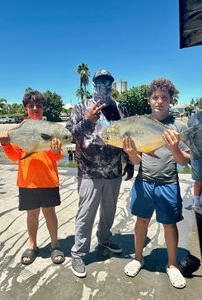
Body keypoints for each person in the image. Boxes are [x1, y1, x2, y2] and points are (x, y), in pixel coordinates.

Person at [122, 78, 190, 289]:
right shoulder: (140, 125)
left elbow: (184, 160)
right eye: (155, 97)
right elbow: (136, 161)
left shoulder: (178, 126)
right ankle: (138, 258)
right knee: (141, 221)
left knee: (169, 224)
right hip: (144, 181)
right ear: (149, 100)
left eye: (164, 98)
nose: (159, 101)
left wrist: (175, 149)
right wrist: (131, 153)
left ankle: (172, 265)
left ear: (171, 100)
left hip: (168, 182)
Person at [66, 69, 133, 277]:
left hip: (113, 171)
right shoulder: (81, 107)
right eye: (100, 81)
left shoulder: (119, 108)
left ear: (112, 84)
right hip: (88, 171)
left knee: (109, 212)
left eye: (107, 81)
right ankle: (78, 252)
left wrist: (129, 162)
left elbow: (127, 137)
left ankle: (104, 239)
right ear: (94, 84)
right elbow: (69, 135)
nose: (104, 84)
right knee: (85, 214)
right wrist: (88, 120)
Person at [0, 90, 65, 265]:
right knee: (32, 214)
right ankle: (32, 245)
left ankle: (55, 245)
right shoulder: (19, 130)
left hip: (48, 179)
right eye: (32, 106)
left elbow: (57, 157)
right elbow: (14, 157)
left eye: (39, 106)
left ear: (43, 109)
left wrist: (57, 151)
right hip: (27, 180)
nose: (36, 108)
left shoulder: (50, 129)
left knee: (50, 213)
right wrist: (6, 145)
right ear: (26, 108)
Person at [187, 111, 202, 257]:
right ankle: (196, 202)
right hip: (198, 154)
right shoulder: (195, 117)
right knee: (198, 180)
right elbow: (189, 136)